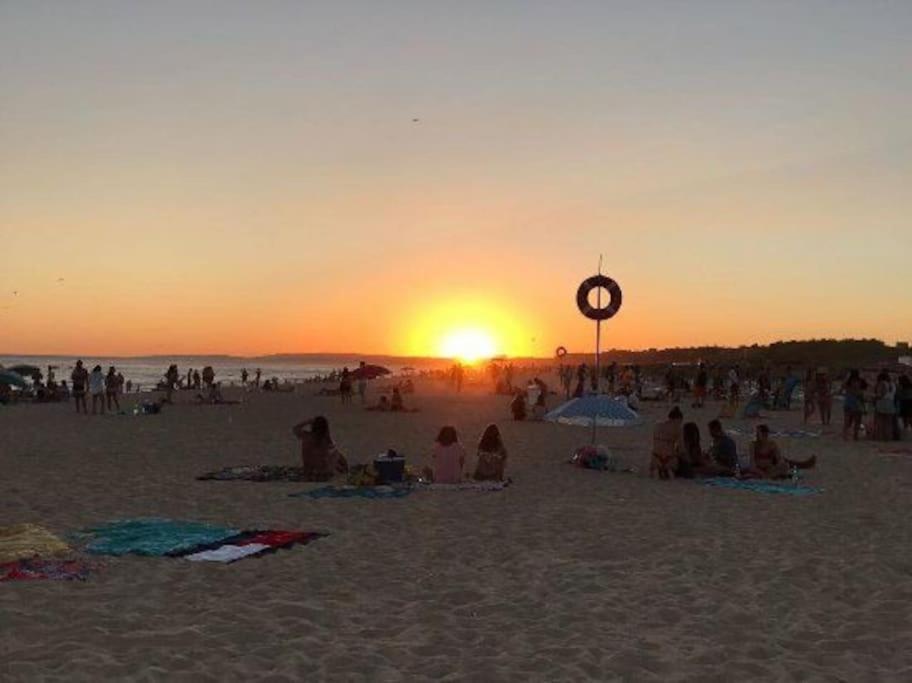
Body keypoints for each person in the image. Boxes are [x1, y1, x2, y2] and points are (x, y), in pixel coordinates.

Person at [292, 416, 349, 481]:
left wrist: (308, 421)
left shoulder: (307, 437)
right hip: (324, 471)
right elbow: (339, 456)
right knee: (334, 454)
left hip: (310, 470)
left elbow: (295, 429)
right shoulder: (326, 441)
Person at [651, 407, 683, 479]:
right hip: (669, 458)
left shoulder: (657, 425)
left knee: (655, 474)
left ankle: (659, 471)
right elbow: (681, 448)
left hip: (656, 457)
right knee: (671, 473)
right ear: (678, 419)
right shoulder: (678, 428)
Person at [842, 369, 867, 441]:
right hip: (857, 404)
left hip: (849, 403)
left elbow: (843, 386)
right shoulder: (860, 383)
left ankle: (845, 436)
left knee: (847, 422)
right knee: (857, 421)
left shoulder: (848, 384)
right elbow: (861, 395)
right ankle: (855, 436)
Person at [873, 371, 897, 441]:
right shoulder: (893, 384)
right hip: (890, 403)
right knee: (888, 423)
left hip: (882, 403)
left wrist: (873, 397)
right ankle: (888, 438)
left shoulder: (882, 383)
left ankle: (879, 437)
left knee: (880, 422)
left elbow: (880, 395)